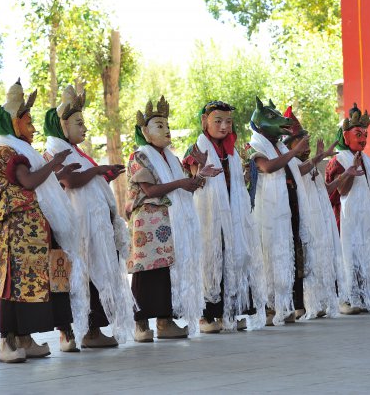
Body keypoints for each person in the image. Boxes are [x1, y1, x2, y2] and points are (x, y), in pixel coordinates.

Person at [0, 79, 85, 363]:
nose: (34, 128)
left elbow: (37, 181)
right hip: (15, 238)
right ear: (13, 124)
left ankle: (25, 340)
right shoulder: (6, 153)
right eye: (28, 122)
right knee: (13, 288)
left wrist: (59, 168)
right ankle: (7, 344)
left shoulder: (20, 151)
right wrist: (54, 164)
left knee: (32, 287)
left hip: (30, 238)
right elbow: (27, 182)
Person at [44, 85, 135, 349]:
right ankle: (76, 333)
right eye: (78, 123)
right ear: (62, 126)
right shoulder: (53, 152)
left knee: (93, 279)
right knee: (75, 280)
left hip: (90, 230)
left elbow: (86, 182)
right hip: (73, 231)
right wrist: (98, 172)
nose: (84, 128)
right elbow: (70, 181)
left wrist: (103, 173)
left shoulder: (77, 153)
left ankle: (91, 331)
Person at [126, 96, 220, 340]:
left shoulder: (172, 158)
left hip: (170, 224)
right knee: (146, 274)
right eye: (159, 126)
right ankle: (141, 326)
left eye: (167, 126)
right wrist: (181, 182)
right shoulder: (139, 157)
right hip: (148, 223)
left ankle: (165, 323)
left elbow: (185, 189)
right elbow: (150, 191)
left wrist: (200, 176)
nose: (166, 130)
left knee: (168, 274)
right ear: (145, 132)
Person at [184, 100, 267, 332]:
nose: (223, 126)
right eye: (217, 121)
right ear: (204, 122)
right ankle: (208, 317)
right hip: (210, 218)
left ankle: (233, 312)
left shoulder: (231, 150)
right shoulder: (197, 149)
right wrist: (200, 171)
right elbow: (194, 182)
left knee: (238, 257)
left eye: (228, 122)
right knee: (212, 261)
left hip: (233, 216)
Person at [248, 97, 314, 324]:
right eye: (274, 118)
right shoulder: (255, 145)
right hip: (269, 212)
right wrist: (294, 152)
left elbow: (299, 170)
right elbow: (267, 167)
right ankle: (268, 308)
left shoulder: (282, 147)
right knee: (269, 254)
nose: (282, 122)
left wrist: (320, 157)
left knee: (289, 252)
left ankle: (286, 305)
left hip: (289, 205)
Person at [328, 103, 370, 314]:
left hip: (366, 221)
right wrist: (349, 171)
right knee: (348, 256)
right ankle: (345, 299)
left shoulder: (365, 159)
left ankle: (363, 296)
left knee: (365, 255)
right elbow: (341, 192)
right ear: (345, 137)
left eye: (365, 134)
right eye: (358, 134)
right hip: (345, 221)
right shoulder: (338, 160)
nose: (363, 138)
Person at [281, 106, 343, 318]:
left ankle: (320, 302)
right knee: (305, 262)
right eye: (301, 140)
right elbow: (299, 171)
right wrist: (319, 157)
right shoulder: (290, 164)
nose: (306, 142)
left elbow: (323, 191)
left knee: (319, 259)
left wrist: (344, 177)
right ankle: (305, 303)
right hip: (304, 219)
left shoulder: (309, 164)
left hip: (320, 219)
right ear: (290, 145)